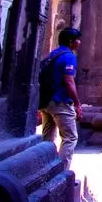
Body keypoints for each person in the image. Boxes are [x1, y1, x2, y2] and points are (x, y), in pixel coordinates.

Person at [39, 27, 83, 169]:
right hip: (60, 101)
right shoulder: (69, 56)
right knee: (70, 137)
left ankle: (43, 167)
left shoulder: (53, 54)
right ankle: (62, 172)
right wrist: (77, 104)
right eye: (77, 40)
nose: (79, 42)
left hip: (46, 101)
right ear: (71, 42)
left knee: (47, 136)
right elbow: (69, 81)